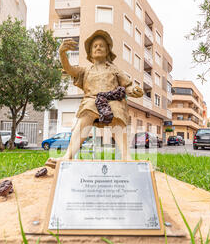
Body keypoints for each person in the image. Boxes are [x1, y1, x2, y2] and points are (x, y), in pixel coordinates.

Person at [45, 30, 143, 168]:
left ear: (108, 51)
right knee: (87, 111)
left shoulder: (114, 69)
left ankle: (127, 156)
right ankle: (68, 156)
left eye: (101, 45)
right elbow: (69, 69)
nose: (98, 47)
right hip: (92, 100)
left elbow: (127, 85)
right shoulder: (85, 71)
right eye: (95, 46)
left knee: (117, 114)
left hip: (112, 100)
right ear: (90, 52)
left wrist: (134, 90)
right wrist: (62, 54)